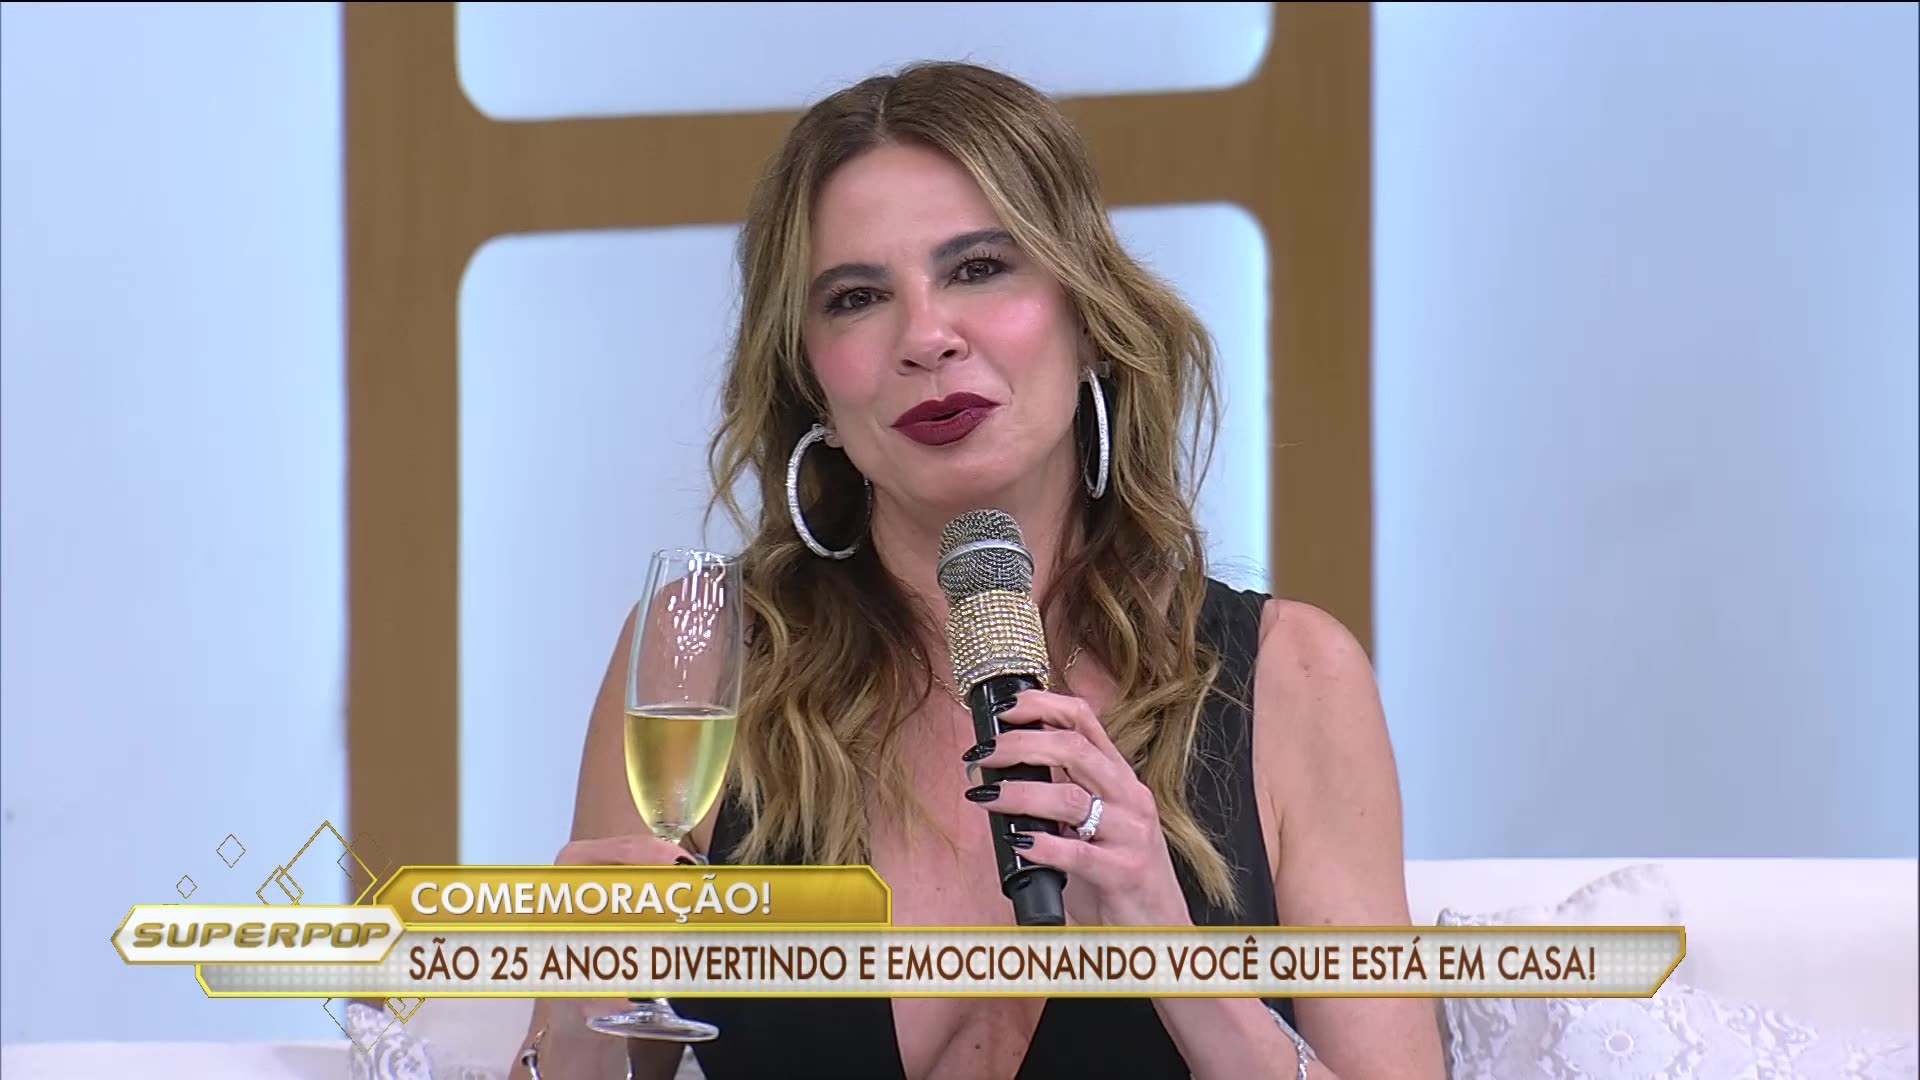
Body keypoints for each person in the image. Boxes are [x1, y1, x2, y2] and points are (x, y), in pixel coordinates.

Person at [511, 61, 1445, 1080]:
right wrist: (581, 1003)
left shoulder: (1295, 676)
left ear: (1089, 319)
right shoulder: (706, 659)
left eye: (980, 268)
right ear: (812, 383)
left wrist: (1175, 957)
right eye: (857, 297)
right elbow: (589, 1054)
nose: (926, 338)